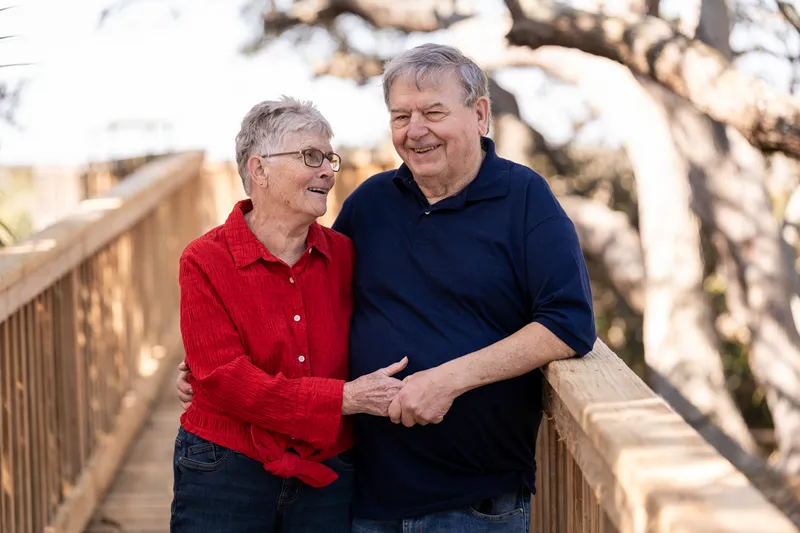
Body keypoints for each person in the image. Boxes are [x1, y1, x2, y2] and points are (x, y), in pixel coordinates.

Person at [178, 44, 596, 532]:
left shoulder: (525, 198)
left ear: (480, 114)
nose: (415, 130)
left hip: (474, 496)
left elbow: (568, 322)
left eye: (433, 112)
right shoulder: (371, 203)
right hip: (366, 493)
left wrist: (448, 379)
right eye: (401, 116)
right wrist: (207, 372)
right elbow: (302, 299)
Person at [170, 96, 408, 533]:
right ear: (259, 170)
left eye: (329, 158)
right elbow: (224, 378)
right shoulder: (204, 259)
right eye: (310, 157)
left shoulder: (344, 256)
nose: (328, 171)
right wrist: (345, 399)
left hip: (327, 471)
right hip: (225, 467)